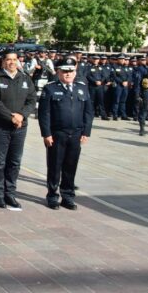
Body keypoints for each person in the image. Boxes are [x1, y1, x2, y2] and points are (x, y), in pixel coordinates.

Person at [0, 49, 38, 209]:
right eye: (8, 59)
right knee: (0, 162)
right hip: (1, 126)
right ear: (3, 61)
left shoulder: (25, 78)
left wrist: (21, 115)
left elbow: (32, 100)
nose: (12, 62)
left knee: (14, 162)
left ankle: (10, 193)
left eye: (15, 59)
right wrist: (11, 117)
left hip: (20, 127)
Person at [38, 57, 94, 210]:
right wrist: (46, 134)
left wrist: (86, 132)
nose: (68, 74)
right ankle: (53, 196)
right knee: (55, 166)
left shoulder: (81, 88)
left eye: (71, 71)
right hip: (57, 134)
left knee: (71, 166)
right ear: (58, 72)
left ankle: (68, 196)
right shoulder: (50, 88)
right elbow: (44, 114)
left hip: (76, 134)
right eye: (65, 71)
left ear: (75, 72)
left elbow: (89, 112)